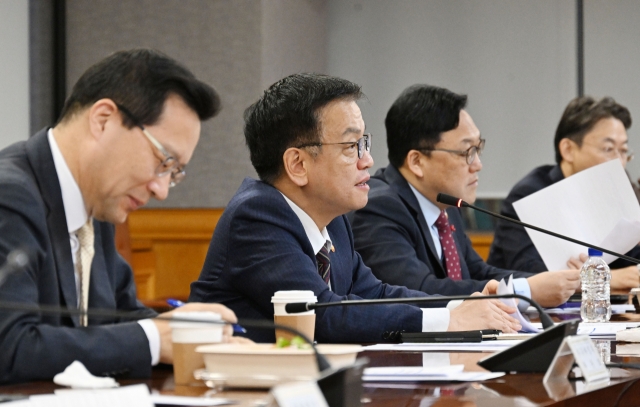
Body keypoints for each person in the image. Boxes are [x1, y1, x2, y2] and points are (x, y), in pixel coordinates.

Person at [190, 73, 522, 344]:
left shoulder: (332, 222)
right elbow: (322, 313)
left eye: (365, 143)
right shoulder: (258, 217)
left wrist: (461, 305)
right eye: (351, 146)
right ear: (297, 164)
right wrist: (449, 319)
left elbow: (375, 293)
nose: (368, 160)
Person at [0, 49, 242, 384]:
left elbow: (121, 317)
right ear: (103, 120)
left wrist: (196, 338)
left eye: (174, 173)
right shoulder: (9, 196)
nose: (162, 190)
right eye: (164, 160)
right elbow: (10, 346)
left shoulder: (99, 203)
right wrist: (156, 339)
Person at [349, 84, 579, 307]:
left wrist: (557, 280)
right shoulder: (378, 208)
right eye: (466, 152)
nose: (477, 164)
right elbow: (418, 291)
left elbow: (479, 272)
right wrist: (525, 291)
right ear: (417, 161)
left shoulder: (444, 204)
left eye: (478, 149)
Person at [487, 96, 640, 290]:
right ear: (568, 149)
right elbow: (528, 272)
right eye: (608, 149)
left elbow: (631, 262)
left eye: (624, 151)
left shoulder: (611, 196)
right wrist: (602, 278)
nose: (619, 162)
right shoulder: (530, 194)